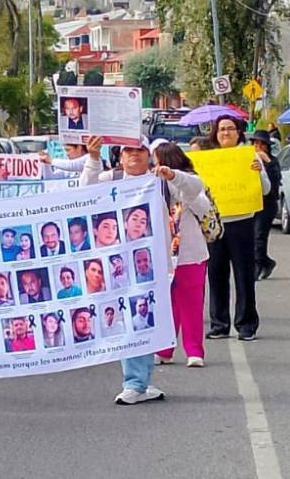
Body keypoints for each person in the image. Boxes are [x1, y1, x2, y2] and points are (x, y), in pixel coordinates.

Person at [81, 135, 176, 405]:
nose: (134, 155)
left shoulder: (161, 181)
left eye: (140, 150)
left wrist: (174, 177)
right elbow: (84, 189)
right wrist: (93, 157)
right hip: (118, 267)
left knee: (144, 321)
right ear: (120, 157)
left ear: (150, 155)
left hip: (152, 265)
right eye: (128, 151)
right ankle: (134, 383)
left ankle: (142, 382)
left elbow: (195, 190)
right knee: (128, 320)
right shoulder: (110, 181)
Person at [203, 116, 270, 342]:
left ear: (238, 133)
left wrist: (259, 170)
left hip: (242, 222)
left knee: (244, 275)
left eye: (230, 129)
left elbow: (266, 190)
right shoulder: (208, 159)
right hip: (215, 224)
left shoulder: (248, 155)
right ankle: (219, 324)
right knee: (216, 274)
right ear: (216, 134)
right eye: (221, 129)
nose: (226, 133)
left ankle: (246, 325)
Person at [150, 141, 213, 368]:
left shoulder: (187, 182)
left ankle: (194, 350)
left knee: (192, 304)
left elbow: (203, 205)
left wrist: (173, 178)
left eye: (155, 162)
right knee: (167, 304)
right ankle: (165, 349)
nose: (153, 167)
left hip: (190, 254)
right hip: (163, 255)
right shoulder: (151, 185)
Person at [251, 130, 281, 280]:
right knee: (251, 237)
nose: (258, 147)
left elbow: (275, 181)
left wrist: (267, 163)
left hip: (268, 204)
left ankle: (259, 265)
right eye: (255, 144)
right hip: (252, 203)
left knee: (259, 236)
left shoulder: (272, 161)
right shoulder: (249, 160)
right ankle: (266, 262)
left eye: (261, 144)